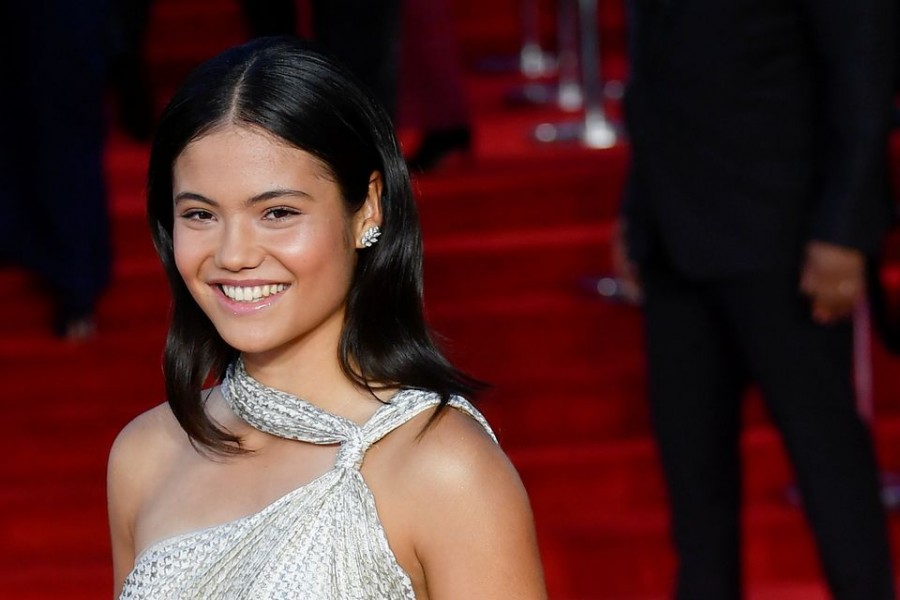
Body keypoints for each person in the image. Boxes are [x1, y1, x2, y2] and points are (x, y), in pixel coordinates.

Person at [107, 37, 546, 598]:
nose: (233, 253)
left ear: (367, 209)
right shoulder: (145, 455)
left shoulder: (442, 467)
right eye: (200, 214)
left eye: (278, 212)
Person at [616, 0, 896, 598]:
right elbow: (655, 71)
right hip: (673, 236)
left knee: (830, 467)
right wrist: (636, 216)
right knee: (694, 492)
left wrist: (845, 231)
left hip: (788, 242)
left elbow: (865, 75)